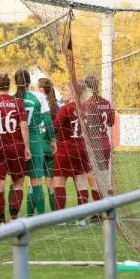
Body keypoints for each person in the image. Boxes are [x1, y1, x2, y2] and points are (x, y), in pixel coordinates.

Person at [0, 73, 31, 224]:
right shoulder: (18, 102)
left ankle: (1, 220)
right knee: (18, 183)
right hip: (16, 146)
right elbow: (24, 126)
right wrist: (27, 147)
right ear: (9, 86)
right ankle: (14, 217)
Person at [13, 69, 50, 217]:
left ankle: (14, 217)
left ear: (16, 82)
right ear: (29, 82)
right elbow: (47, 120)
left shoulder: (11, 99)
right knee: (36, 182)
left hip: (16, 142)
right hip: (34, 141)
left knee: (17, 183)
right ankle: (40, 216)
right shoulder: (38, 97)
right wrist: (52, 139)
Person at [52, 82, 90, 225]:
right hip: (81, 148)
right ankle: (81, 219)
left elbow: (55, 126)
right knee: (81, 183)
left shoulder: (65, 109)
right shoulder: (86, 108)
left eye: (67, 90)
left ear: (74, 93)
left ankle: (59, 219)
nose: (64, 92)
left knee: (59, 181)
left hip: (66, 147)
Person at [81, 75, 115, 203]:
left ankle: (101, 205)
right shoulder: (106, 102)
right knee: (104, 172)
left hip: (94, 143)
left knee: (92, 176)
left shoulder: (87, 104)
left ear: (87, 88)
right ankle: (108, 196)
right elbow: (111, 123)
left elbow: (85, 126)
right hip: (105, 141)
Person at [36, 77, 58, 212]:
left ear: (40, 89)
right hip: (51, 148)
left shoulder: (35, 104)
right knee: (51, 184)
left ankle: (36, 214)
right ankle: (56, 215)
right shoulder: (56, 106)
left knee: (35, 183)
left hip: (37, 147)